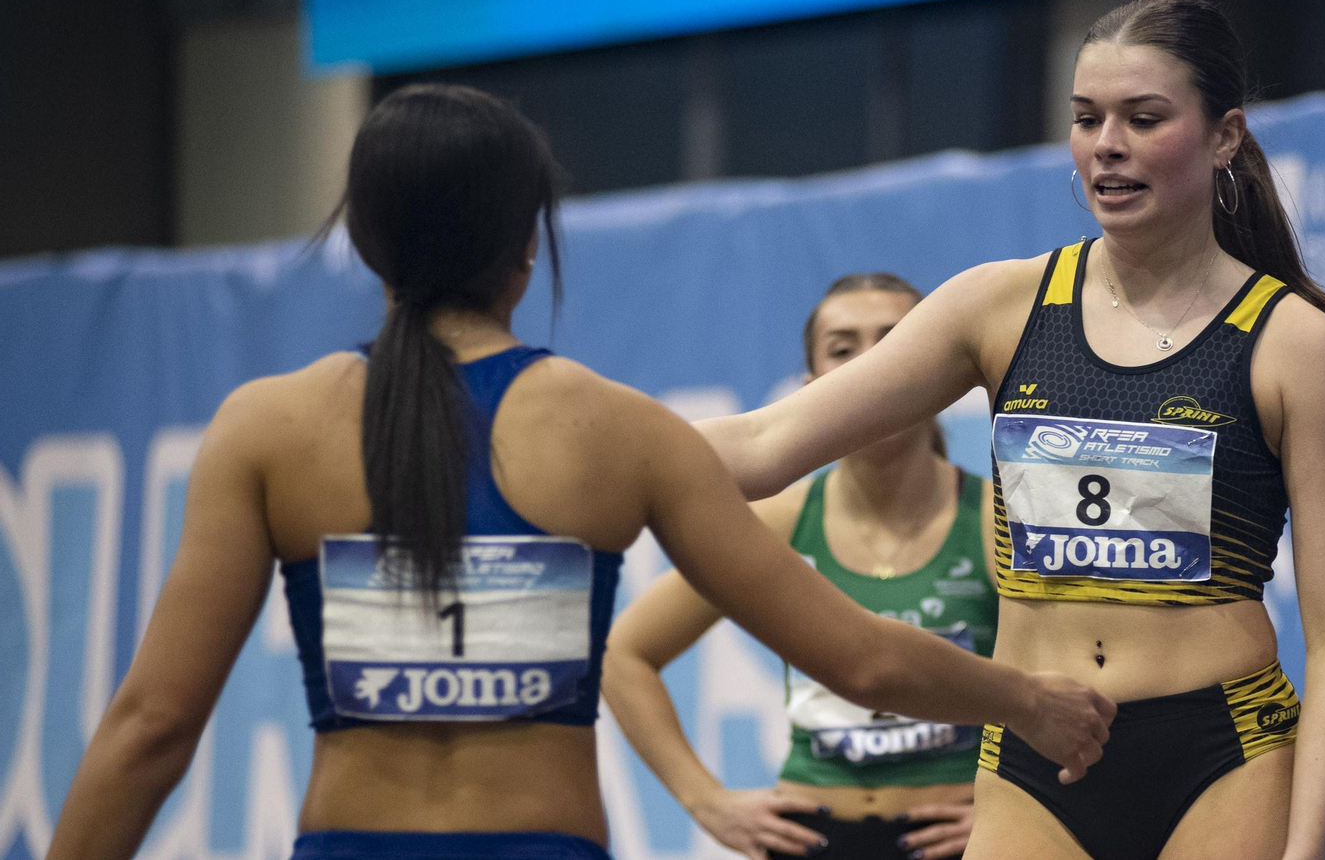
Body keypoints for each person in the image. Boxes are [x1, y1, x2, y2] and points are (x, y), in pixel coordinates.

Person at [43, 85, 1115, 860]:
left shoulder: (265, 430)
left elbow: (152, 727)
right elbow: (862, 660)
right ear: (528, 246)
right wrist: (1028, 701)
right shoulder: (617, 433)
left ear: (366, 242)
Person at [696, 0, 1325, 860]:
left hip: (1223, 754)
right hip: (1036, 757)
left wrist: (1306, 850)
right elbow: (760, 447)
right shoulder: (1000, 306)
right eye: (1087, 118)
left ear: (1225, 136)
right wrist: (578, 446)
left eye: (1144, 117)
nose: (1108, 146)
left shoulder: (1294, 345)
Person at [606, 274, 1000, 860]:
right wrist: (705, 802)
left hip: (955, 843)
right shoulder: (779, 522)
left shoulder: (998, 519)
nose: (871, 369)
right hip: (811, 836)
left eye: (894, 343)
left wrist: (1016, 810)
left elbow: (1080, 689)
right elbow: (623, 654)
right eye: (843, 349)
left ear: (943, 375)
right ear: (813, 385)